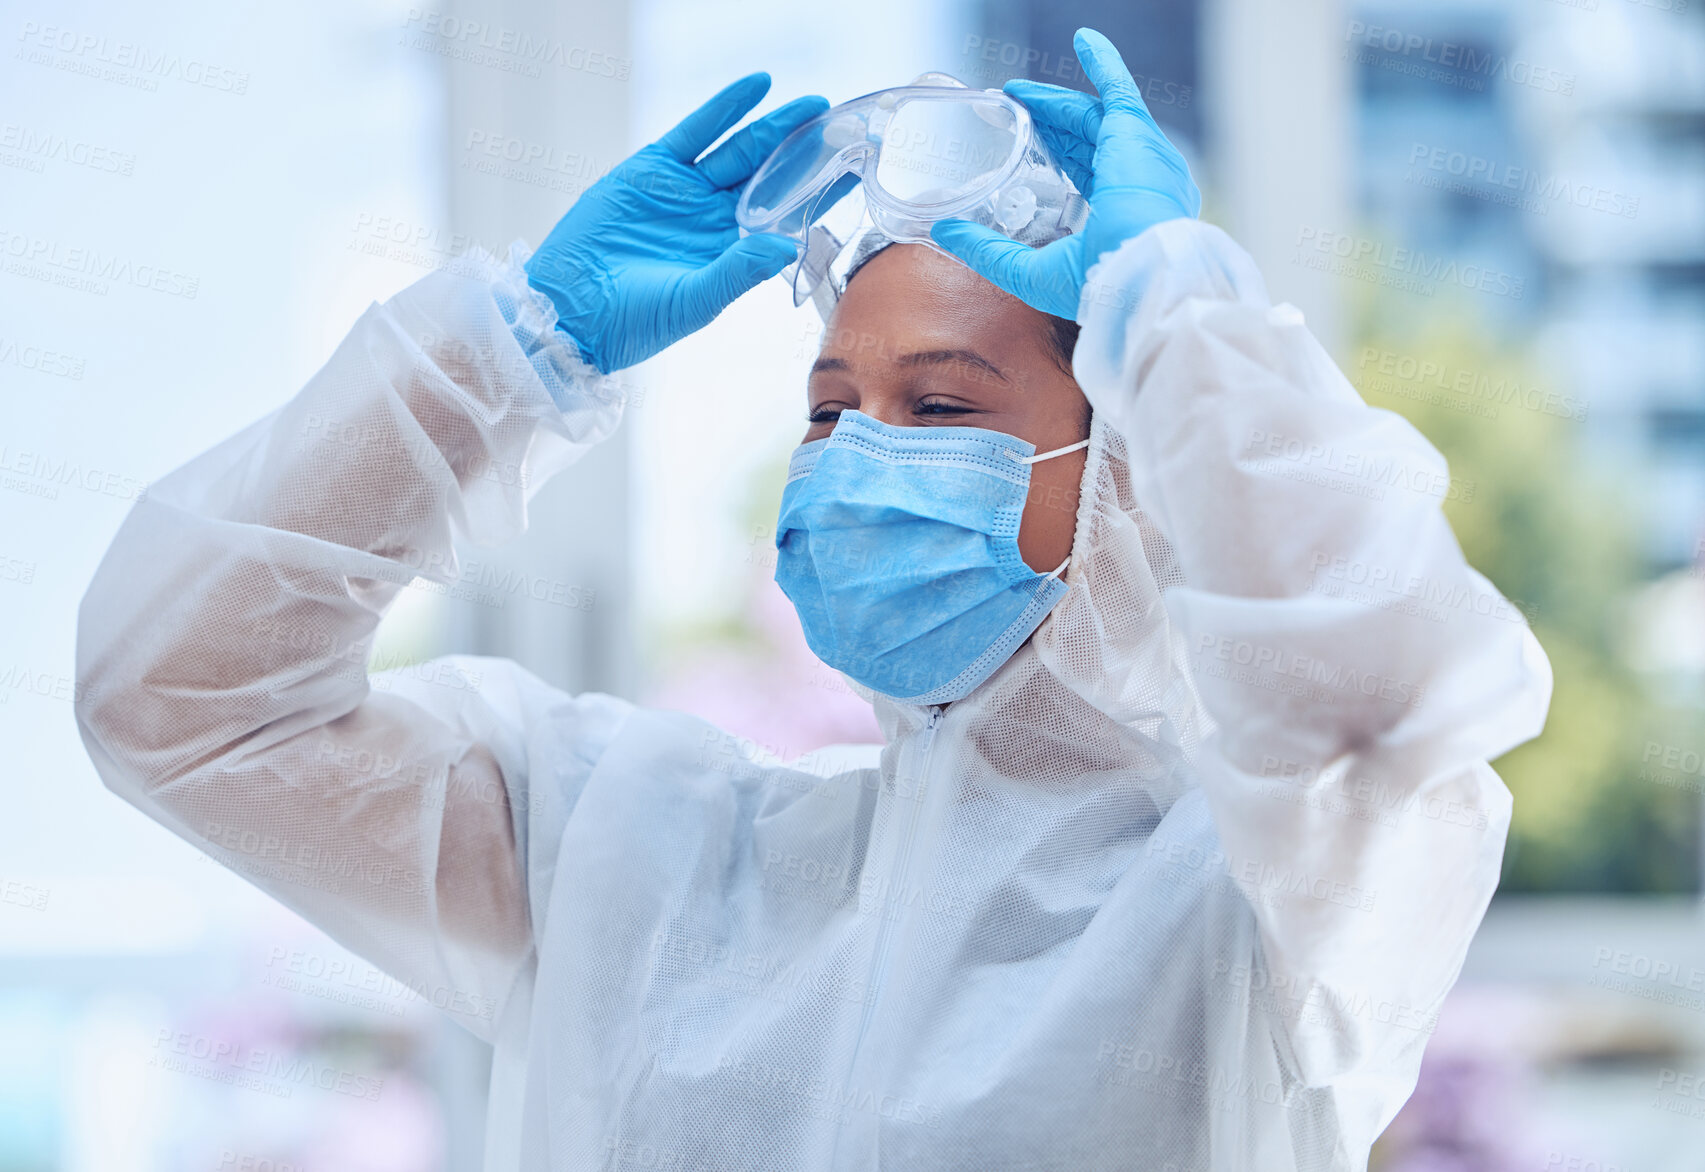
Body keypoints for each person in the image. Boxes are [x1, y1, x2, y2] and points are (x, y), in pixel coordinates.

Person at [76, 28, 1551, 1172]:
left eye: (941, 405)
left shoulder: (1257, 892)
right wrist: (506, 351)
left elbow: (1376, 702)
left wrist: (1178, 318)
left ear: (1127, 469)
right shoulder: (630, 846)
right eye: (831, 409)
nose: (856, 464)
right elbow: (182, 703)